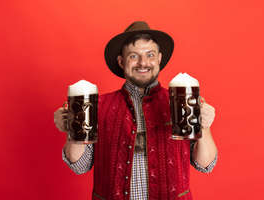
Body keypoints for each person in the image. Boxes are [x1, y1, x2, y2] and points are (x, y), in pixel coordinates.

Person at [53, 21, 218, 200]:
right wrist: (72, 128)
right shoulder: (98, 105)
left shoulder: (182, 100)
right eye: (133, 56)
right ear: (121, 61)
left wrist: (205, 127)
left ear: (159, 59)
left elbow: (205, 164)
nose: (143, 63)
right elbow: (80, 166)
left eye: (150, 54)